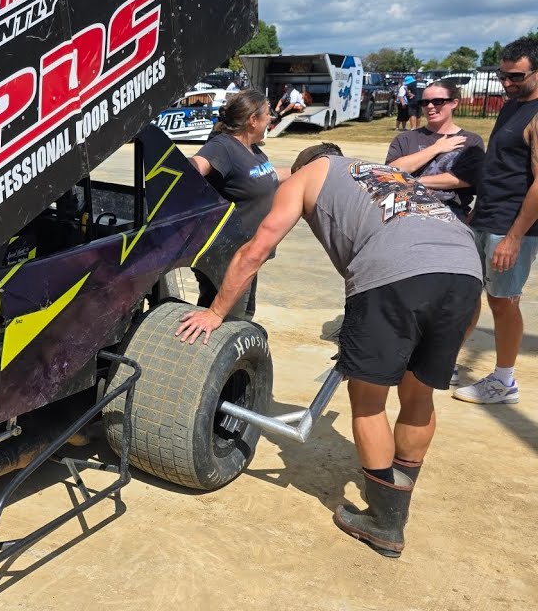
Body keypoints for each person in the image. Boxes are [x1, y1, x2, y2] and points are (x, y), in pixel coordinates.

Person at [176, 142, 481, 558]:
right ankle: (399, 496)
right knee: (418, 393)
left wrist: (215, 312)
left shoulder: (308, 176)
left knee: (368, 401)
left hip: (394, 276)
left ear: (307, 164)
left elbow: (256, 248)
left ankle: (384, 522)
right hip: (465, 273)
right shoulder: (384, 173)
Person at [454, 37, 538, 405]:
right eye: (502, 75)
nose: (506, 83)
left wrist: (514, 237)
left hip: (512, 225)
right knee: (469, 291)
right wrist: (478, 210)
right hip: (489, 216)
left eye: (516, 76)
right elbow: (502, 166)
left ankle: (504, 381)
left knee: (503, 301)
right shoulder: (512, 106)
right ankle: (447, 359)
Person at [188, 90, 285, 318]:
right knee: (223, 319)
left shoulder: (253, 149)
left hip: (249, 251)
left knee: (244, 315)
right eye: (267, 114)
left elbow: (267, 175)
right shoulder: (223, 146)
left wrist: (307, 170)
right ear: (253, 120)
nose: (271, 119)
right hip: (226, 255)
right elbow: (194, 168)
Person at [385, 80, 485, 222]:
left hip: (450, 216)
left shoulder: (471, 140)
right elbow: (391, 172)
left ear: (454, 103)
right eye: (424, 103)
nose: (430, 107)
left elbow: (464, 179)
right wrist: (436, 148)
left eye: (437, 101)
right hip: (406, 216)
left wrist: (413, 181)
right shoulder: (406, 139)